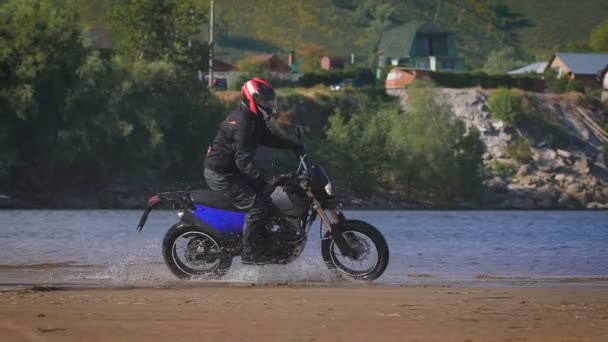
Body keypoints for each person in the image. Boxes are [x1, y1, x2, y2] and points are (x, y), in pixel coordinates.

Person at [203, 77, 304, 264]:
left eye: (269, 101)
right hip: (221, 174)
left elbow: (267, 138)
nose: (268, 104)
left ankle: (264, 238)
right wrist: (269, 178)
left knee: (271, 196)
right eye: (264, 101)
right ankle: (250, 251)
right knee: (258, 204)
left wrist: (292, 145)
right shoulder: (243, 123)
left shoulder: (253, 119)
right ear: (251, 98)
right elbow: (244, 162)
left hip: (232, 171)